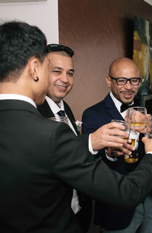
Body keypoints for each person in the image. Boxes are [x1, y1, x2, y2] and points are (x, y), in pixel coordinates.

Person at [0, 21, 152, 233]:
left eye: (70, 73)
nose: (64, 79)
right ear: (35, 68)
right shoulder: (51, 131)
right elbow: (124, 193)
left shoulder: (61, 114)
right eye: (51, 69)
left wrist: (92, 142)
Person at [82, 57, 152, 233]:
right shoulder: (93, 114)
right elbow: (88, 161)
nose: (129, 86)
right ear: (109, 80)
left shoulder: (142, 110)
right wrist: (109, 153)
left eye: (134, 81)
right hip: (117, 208)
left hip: (146, 197)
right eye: (122, 80)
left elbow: (144, 149)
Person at [37, 44, 92, 232]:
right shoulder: (33, 113)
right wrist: (92, 142)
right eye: (57, 71)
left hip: (77, 214)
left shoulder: (64, 107)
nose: (65, 79)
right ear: (40, 72)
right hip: (51, 220)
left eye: (70, 73)